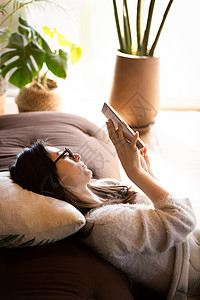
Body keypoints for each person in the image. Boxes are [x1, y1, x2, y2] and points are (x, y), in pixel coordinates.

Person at [9, 119, 199, 300]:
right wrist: (135, 173)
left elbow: (160, 211)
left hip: (192, 242)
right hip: (192, 271)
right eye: (64, 155)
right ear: (51, 181)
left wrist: (146, 172)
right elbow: (183, 219)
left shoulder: (101, 187)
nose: (76, 155)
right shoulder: (105, 225)